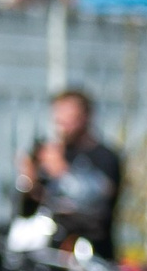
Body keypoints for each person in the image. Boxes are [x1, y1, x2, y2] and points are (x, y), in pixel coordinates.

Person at [15, 87, 124, 258]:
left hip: (91, 253)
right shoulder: (50, 152)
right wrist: (30, 180)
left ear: (85, 116)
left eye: (68, 114)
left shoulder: (104, 157)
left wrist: (62, 172)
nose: (61, 121)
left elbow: (99, 201)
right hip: (50, 252)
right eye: (57, 114)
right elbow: (27, 209)